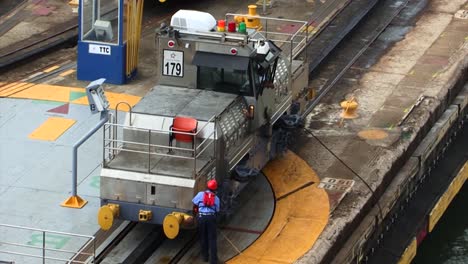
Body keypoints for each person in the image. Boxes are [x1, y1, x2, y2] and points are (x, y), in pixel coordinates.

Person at [192, 179, 220, 264]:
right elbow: (217, 210)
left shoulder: (200, 194)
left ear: (207, 186)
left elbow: (194, 202)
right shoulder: (216, 198)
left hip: (201, 217)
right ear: (215, 189)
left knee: (203, 237)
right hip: (211, 218)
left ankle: (205, 257)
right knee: (212, 239)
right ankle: (213, 260)